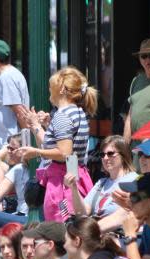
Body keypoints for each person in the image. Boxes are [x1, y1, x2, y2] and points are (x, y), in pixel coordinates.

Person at [18, 66, 96, 222]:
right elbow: (55, 146)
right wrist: (38, 126)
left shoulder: (62, 116)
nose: (49, 89)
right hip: (74, 178)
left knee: (61, 227)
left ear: (61, 89)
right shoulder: (78, 112)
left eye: (51, 86)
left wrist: (35, 152)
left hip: (62, 185)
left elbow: (64, 153)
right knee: (71, 226)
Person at [68, 135, 137, 224]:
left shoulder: (133, 180)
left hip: (118, 234)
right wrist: (74, 188)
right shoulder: (101, 183)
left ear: (123, 155)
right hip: (95, 233)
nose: (105, 158)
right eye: (102, 154)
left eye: (110, 153)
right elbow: (82, 213)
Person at [0, 133, 30, 228]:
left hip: (29, 217)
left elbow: (0, 182)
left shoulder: (38, 166)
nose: (8, 151)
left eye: (12, 149)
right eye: (8, 148)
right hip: (18, 214)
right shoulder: (18, 169)